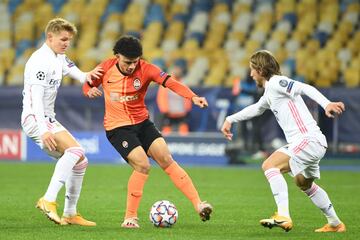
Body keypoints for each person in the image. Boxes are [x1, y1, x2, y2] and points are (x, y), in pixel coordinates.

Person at [82, 35, 213, 228]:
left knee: (166, 158)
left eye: (135, 62)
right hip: (118, 128)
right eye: (127, 62)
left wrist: (192, 97)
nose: (131, 66)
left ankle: (198, 205)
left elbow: (171, 82)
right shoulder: (105, 68)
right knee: (143, 165)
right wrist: (88, 91)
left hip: (142, 123)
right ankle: (130, 217)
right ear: (117, 56)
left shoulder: (147, 69)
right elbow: (87, 83)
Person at [221, 50, 346, 233]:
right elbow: (256, 108)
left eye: (252, 69)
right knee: (304, 183)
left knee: (269, 165)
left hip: (307, 139)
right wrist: (230, 119)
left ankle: (283, 215)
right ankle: (335, 223)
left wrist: (326, 103)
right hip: (313, 143)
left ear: (261, 70)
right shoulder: (270, 92)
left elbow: (305, 88)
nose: (250, 74)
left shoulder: (277, 82)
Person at [21, 18, 103, 226]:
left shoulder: (59, 57)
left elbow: (78, 73)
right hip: (35, 118)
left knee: (81, 160)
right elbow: (36, 99)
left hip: (48, 118)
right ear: (50, 37)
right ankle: (48, 199)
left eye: (69, 40)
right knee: (75, 151)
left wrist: (89, 76)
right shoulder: (40, 61)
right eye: (63, 39)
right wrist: (44, 130)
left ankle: (70, 213)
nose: (66, 43)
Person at [156, 58, 192, 135]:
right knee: (166, 135)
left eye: (179, 68)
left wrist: (186, 110)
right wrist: (165, 111)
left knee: (184, 133)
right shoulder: (166, 82)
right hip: (168, 116)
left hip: (181, 116)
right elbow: (161, 98)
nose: (177, 70)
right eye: (176, 68)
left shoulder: (184, 83)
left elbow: (188, 98)